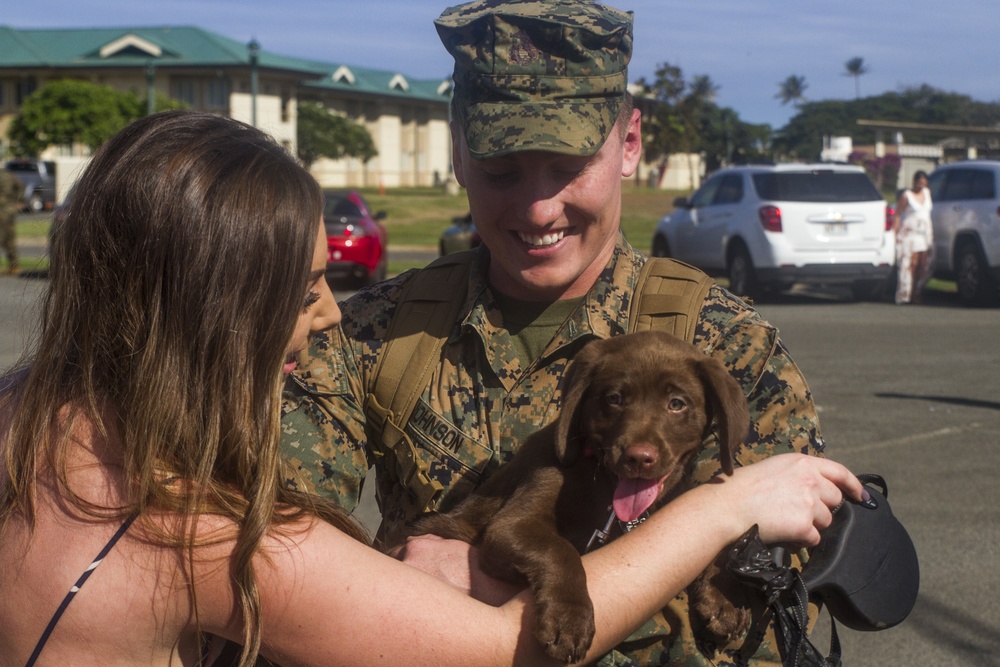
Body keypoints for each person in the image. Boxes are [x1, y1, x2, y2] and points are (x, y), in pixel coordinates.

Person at [0, 109, 862, 667]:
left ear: (628, 145)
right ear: (212, 315)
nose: (333, 316)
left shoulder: (24, 416)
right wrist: (718, 508)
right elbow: (495, 646)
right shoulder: (202, 529)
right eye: (305, 290)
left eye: (566, 162)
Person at [281, 1, 832, 665]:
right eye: (501, 169)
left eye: (567, 165)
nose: (538, 207)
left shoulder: (729, 347)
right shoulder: (367, 333)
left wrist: (493, 600)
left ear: (629, 143)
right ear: (457, 150)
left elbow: (765, 619)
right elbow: (283, 566)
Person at [893, 170, 934, 304]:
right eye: (919, 183)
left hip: (924, 233)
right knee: (912, 263)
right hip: (910, 233)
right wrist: (895, 232)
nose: (921, 186)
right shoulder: (907, 196)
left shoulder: (927, 193)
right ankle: (908, 294)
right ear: (914, 182)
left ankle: (917, 289)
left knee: (923, 265)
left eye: (924, 183)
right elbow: (898, 214)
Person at [0, 167, 21, 275]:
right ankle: (14, 265)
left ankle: (13, 265)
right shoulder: (9, 175)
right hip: (10, 209)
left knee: (4, 238)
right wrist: (17, 199)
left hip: (2, 210)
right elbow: (19, 186)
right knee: (10, 238)